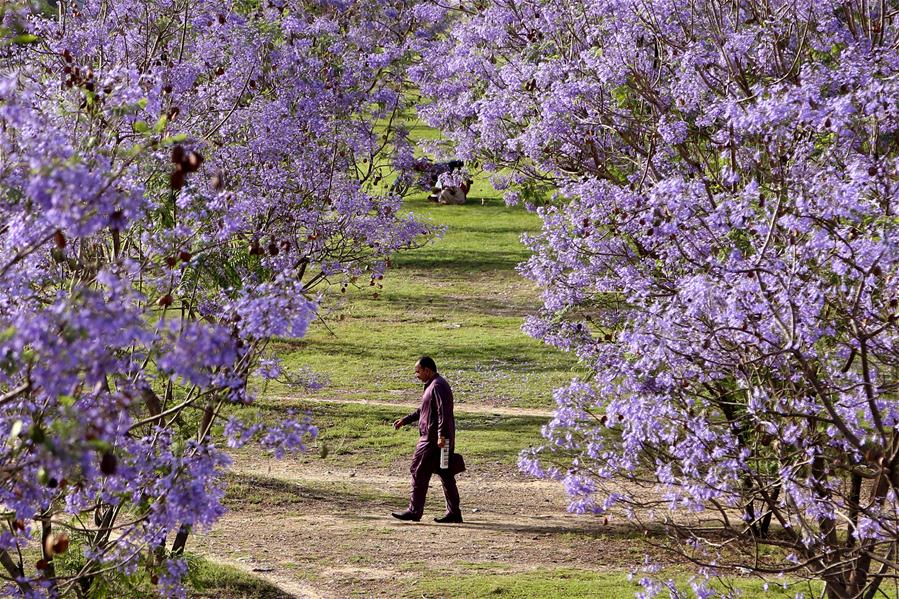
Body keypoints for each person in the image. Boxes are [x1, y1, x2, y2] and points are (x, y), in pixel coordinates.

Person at [391, 356, 462, 523]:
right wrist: (405, 420)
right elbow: (423, 410)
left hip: (432, 440)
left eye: (418, 371)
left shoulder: (437, 386)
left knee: (418, 470)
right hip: (437, 438)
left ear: (427, 370)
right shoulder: (434, 385)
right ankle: (454, 513)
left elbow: (443, 412)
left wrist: (441, 436)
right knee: (446, 473)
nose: (416, 375)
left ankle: (414, 511)